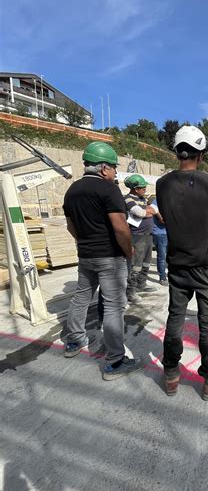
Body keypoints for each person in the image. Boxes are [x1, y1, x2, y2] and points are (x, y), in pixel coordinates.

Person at [155, 125, 208, 400]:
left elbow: (167, 217)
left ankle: (170, 374)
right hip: (204, 266)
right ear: (200, 155)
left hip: (177, 266)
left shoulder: (162, 184)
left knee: (175, 318)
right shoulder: (207, 182)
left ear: (178, 152)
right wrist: (207, 229)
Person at [62, 141, 142, 381]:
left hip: (86, 256)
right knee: (113, 305)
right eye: (114, 168)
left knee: (81, 296)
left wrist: (85, 243)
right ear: (104, 168)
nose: (116, 173)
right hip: (109, 257)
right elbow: (120, 227)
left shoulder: (72, 191)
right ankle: (116, 360)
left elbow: (70, 226)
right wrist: (128, 251)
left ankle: (74, 340)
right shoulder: (108, 190)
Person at [124, 174, 158, 303]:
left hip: (148, 235)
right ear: (135, 188)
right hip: (136, 236)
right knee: (135, 265)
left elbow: (154, 209)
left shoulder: (142, 199)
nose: (144, 189)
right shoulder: (128, 199)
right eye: (142, 187)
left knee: (146, 262)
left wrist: (146, 211)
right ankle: (131, 291)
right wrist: (146, 212)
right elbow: (140, 213)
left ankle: (141, 283)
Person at [151, 197, 168, 285]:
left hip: (170, 232)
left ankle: (170, 274)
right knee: (162, 256)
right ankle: (162, 277)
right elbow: (162, 220)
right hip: (159, 233)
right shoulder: (155, 202)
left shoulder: (170, 200)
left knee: (172, 255)